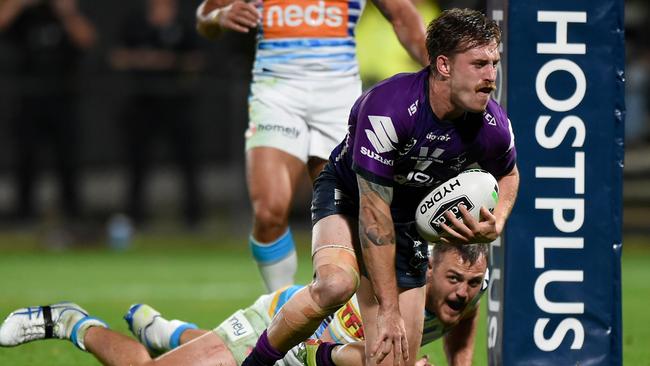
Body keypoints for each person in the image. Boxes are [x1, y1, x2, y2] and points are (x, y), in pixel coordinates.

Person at [241, 8, 519, 366]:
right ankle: (259, 363)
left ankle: (309, 357)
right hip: (351, 196)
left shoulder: (492, 125)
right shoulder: (389, 108)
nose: (491, 77)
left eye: (494, 64)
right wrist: (388, 308)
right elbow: (373, 217)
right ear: (444, 65)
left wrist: (498, 219)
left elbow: (509, 174)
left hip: (406, 217)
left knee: (394, 359)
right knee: (336, 284)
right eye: (479, 64)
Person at [195, 0, 429, 292]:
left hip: (338, 97)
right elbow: (205, 17)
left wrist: (437, 71)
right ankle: (279, 306)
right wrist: (219, 16)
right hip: (276, 93)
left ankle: (333, 311)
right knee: (269, 212)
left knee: (347, 215)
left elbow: (402, 14)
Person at [0, 243, 488, 366]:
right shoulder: (393, 294)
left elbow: (461, 322)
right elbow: (347, 357)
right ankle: (69, 321)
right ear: (425, 271)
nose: (463, 293)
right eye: (454, 280)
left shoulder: (461, 297)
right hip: (277, 331)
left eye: (473, 283)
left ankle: (172, 332)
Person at [110, 0, 205, 228]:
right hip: (142, 104)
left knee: (187, 162)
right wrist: (143, 59)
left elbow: (198, 59)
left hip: (176, 103)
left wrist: (169, 62)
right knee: (138, 163)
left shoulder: (183, 24)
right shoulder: (135, 22)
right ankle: (135, 217)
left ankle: (193, 217)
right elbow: (116, 56)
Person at [0, 0, 96, 222]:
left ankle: (73, 216)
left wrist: (67, 12)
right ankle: (24, 216)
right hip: (29, 99)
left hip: (63, 98)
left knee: (68, 160)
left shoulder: (66, 13)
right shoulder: (26, 17)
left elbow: (87, 39)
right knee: (26, 160)